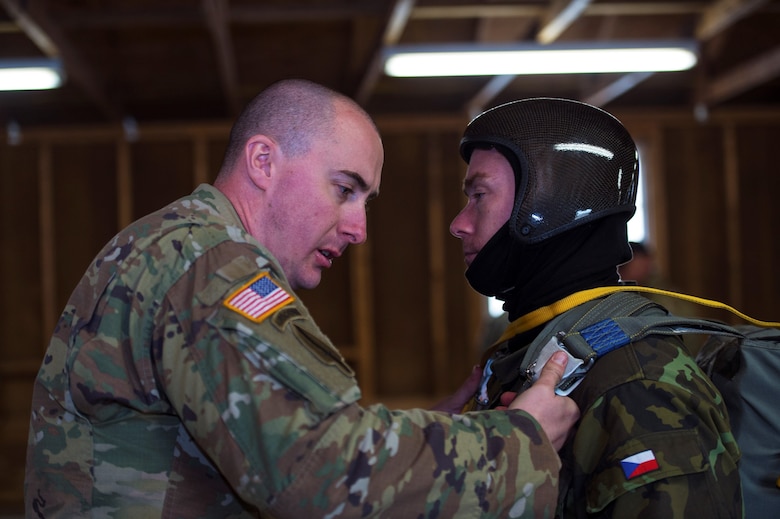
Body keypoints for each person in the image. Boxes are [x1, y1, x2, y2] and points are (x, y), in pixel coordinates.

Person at [25, 79, 579, 518]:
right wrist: (515, 443)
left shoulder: (175, 245)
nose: (359, 228)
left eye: (366, 200)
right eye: (344, 189)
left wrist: (441, 430)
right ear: (263, 162)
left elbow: (275, 442)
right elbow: (316, 476)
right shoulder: (214, 267)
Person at [450, 98, 742, 518]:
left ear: (549, 206)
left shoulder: (638, 385)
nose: (458, 223)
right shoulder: (535, 348)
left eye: (479, 195)